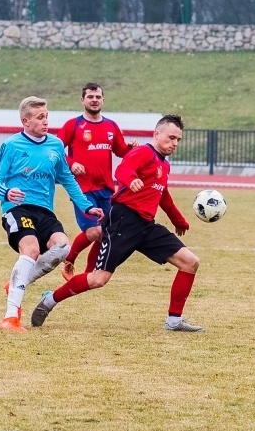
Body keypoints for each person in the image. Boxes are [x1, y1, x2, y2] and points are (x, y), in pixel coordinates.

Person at [30, 114, 204, 332]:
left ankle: (174, 321)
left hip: (146, 226)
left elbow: (163, 195)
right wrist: (131, 180)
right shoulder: (143, 152)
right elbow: (122, 170)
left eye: (178, 139)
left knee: (190, 262)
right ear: (156, 134)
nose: (175, 143)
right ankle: (49, 300)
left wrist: (179, 220)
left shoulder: (163, 164)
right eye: (171, 138)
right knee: (98, 279)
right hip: (123, 221)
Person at [0, 96, 103, 332]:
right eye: (40, 117)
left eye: (47, 116)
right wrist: (7, 192)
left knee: (63, 247)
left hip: (45, 211)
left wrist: (86, 206)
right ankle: (10, 317)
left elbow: (67, 178)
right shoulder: (11, 145)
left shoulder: (56, 145)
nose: (46, 121)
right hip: (17, 208)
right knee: (31, 250)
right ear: (25, 121)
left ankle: (16, 284)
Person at [57, 82, 136, 281]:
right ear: (82, 100)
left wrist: (129, 148)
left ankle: (87, 275)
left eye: (98, 97)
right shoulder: (73, 125)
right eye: (90, 97)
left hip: (106, 189)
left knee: (106, 234)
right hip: (82, 189)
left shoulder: (111, 126)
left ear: (103, 100)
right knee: (94, 231)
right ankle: (69, 260)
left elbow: (120, 150)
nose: (94, 100)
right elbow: (55, 150)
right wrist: (72, 163)